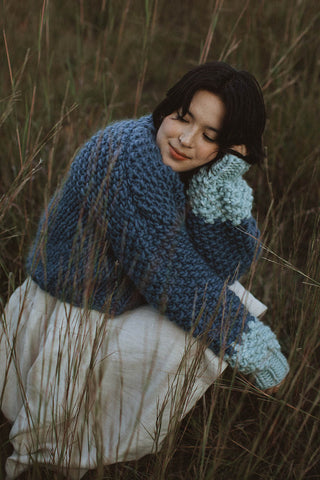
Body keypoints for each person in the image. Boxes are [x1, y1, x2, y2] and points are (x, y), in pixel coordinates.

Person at [0, 61, 289, 479]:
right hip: (71, 312)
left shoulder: (187, 166)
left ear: (229, 149)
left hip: (122, 296)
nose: (185, 139)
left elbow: (222, 268)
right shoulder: (129, 155)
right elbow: (173, 273)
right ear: (167, 107)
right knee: (212, 328)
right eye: (182, 118)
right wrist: (252, 347)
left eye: (210, 136)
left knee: (228, 305)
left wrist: (217, 188)